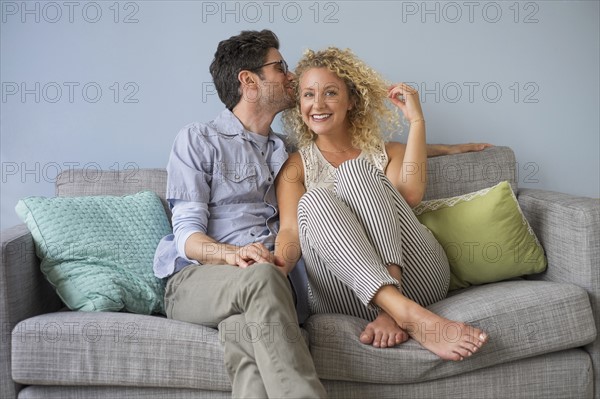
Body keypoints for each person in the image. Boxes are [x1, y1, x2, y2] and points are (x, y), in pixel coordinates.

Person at [274, 47, 489, 361]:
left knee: (356, 169)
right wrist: (272, 272)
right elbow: (291, 232)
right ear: (299, 104)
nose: (317, 104)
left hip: (418, 276)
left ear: (352, 101)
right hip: (345, 291)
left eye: (330, 93)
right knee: (315, 200)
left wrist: (416, 120)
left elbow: (410, 195)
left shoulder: (386, 153)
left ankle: (396, 306)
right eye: (308, 94)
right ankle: (403, 310)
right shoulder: (295, 166)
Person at [153, 30, 327, 398]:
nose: (292, 76)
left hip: (267, 291)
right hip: (200, 282)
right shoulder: (198, 139)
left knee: (245, 339)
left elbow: (364, 153)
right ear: (249, 81)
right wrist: (232, 255)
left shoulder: (291, 152)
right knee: (260, 277)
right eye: (280, 67)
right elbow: (187, 237)